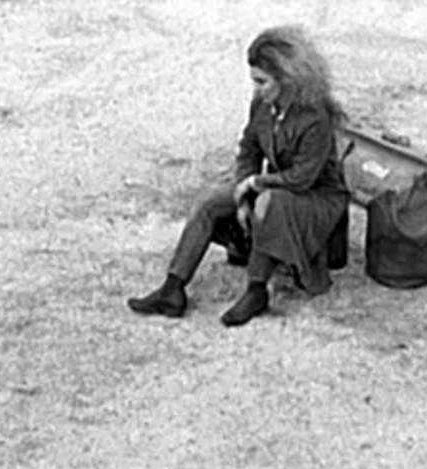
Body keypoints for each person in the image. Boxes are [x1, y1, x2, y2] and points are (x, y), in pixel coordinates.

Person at [128, 25, 351, 326]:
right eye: (254, 81)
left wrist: (254, 185)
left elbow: (303, 178)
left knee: (268, 203)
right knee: (210, 203)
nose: (257, 89)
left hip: (316, 198)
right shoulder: (263, 104)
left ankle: (256, 290)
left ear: (287, 79)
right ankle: (173, 288)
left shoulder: (315, 117)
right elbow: (249, 149)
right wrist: (242, 192)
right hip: (278, 189)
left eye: (262, 82)